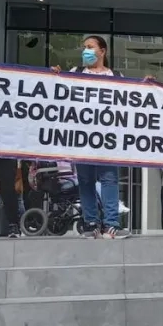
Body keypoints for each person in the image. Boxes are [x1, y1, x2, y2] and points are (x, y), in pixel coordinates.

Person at [52, 35, 127, 239]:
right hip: (82, 137)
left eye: (90, 47)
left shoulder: (116, 76)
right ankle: (90, 222)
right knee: (85, 180)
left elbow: (131, 99)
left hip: (108, 138)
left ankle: (111, 224)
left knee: (109, 179)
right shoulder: (76, 73)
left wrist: (147, 86)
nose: (85, 50)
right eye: (84, 47)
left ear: (102, 51)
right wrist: (55, 76)